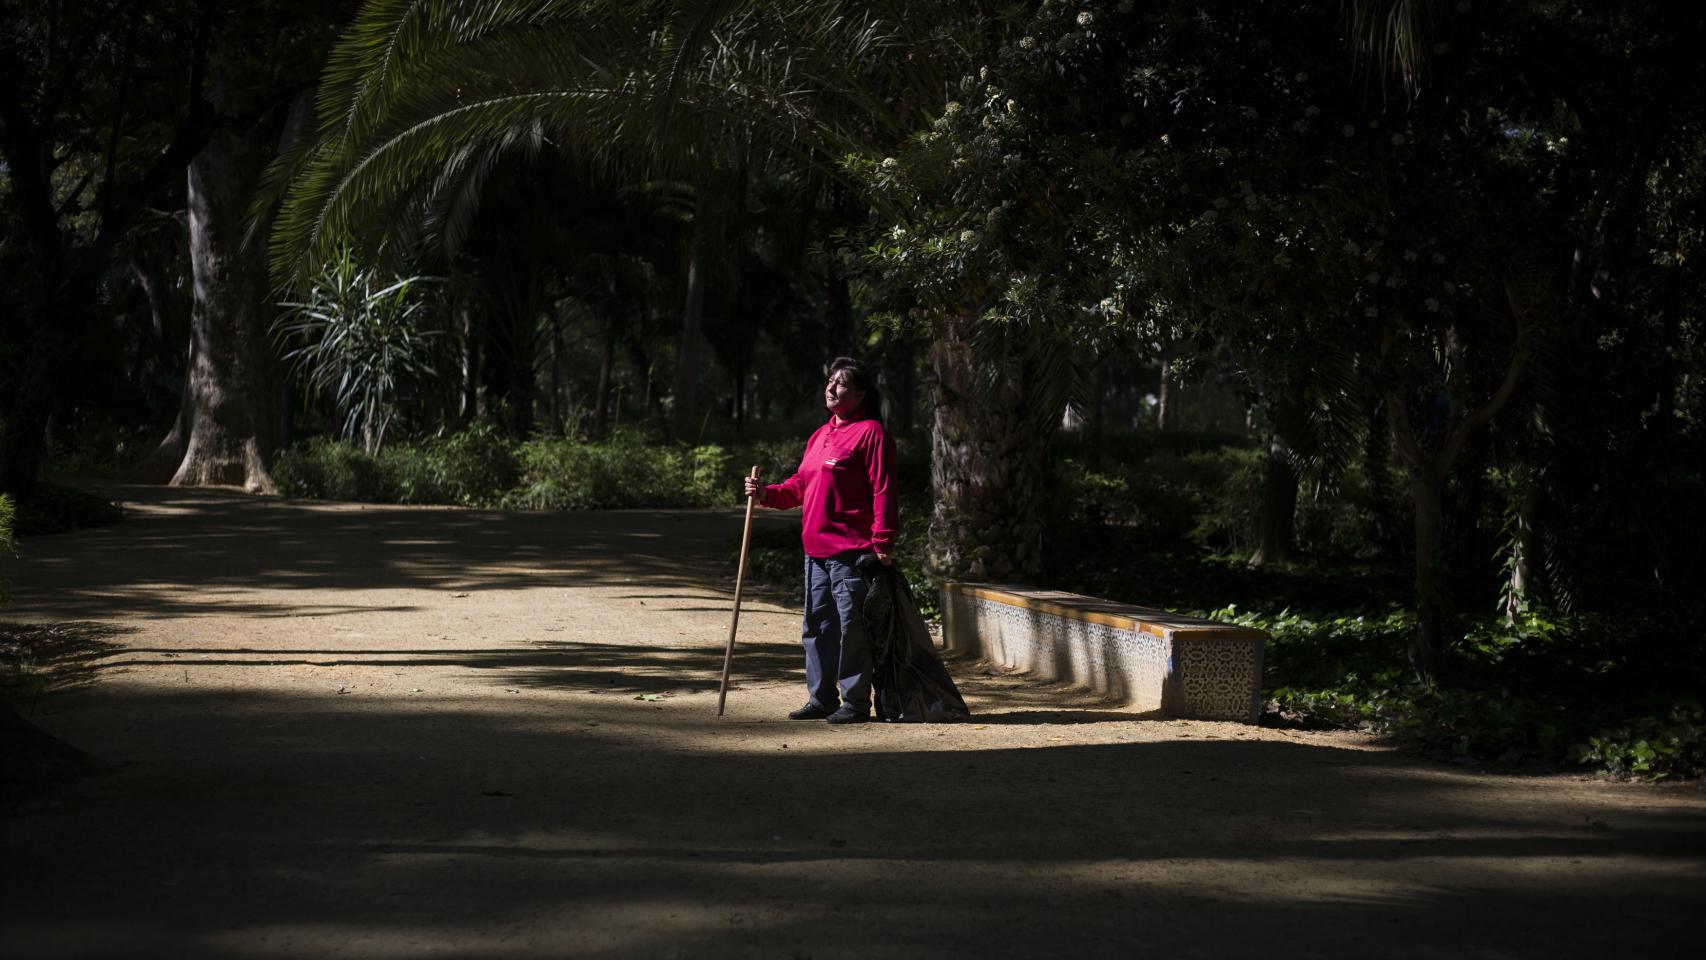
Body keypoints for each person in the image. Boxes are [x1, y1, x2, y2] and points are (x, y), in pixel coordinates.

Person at [744, 357, 896, 724]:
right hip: (815, 551)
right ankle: (821, 698)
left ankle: (856, 702)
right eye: (829, 381)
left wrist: (883, 542)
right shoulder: (821, 434)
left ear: (860, 394)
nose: (831, 388)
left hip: (851, 553)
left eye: (841, 384)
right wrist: (766, 493)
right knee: (817, 628)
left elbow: (883, 491)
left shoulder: (871, 433)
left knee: (852, 630)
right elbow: (801, 485)